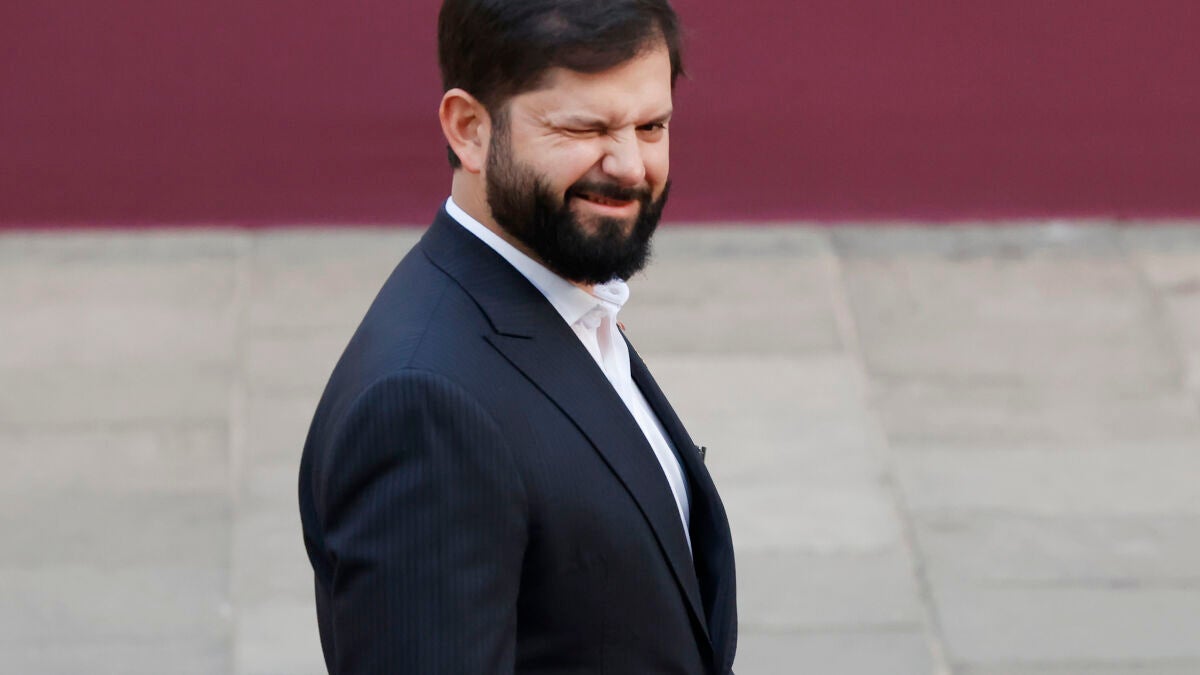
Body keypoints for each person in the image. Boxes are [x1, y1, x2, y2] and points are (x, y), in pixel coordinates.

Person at [298, 1, 737, 672]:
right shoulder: (423, 411)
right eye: (584, 128)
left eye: (651, 126)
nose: (630, 165)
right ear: (469, 130)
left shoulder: (567, 301)